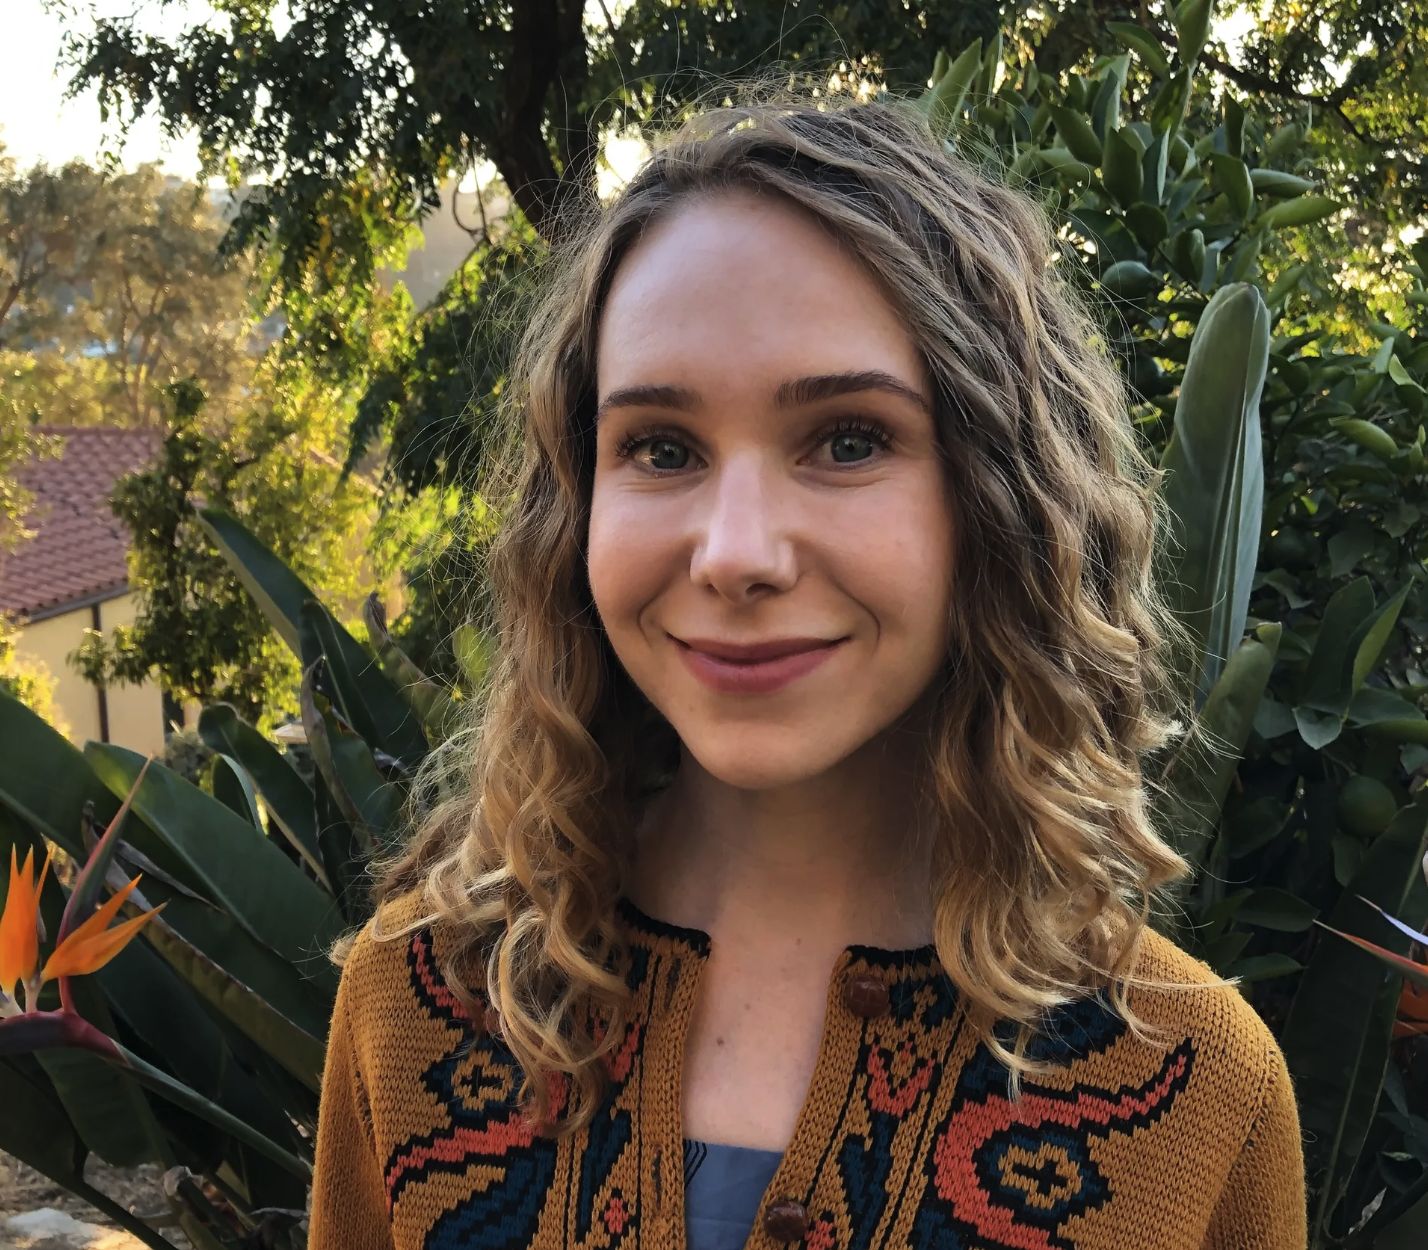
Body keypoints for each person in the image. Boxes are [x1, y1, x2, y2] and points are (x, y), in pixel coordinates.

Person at [308, 98, 1306, 1250]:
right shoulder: (416, 1004)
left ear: (1000, 499)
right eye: (661, 447)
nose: (734, 553)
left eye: (847, 438)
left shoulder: (1194, 1088)